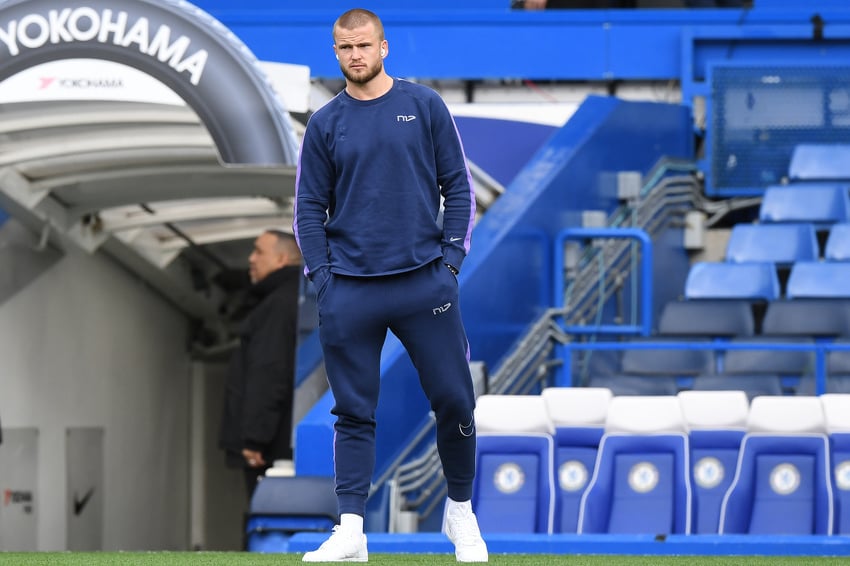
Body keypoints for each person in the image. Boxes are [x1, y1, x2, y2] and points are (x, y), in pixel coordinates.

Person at [293, 8, 488, 563]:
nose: (354, 55)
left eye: (363, 45)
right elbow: (307, 208)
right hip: (349, 289)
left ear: (384, 48)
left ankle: (460, 512)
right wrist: (323, 279)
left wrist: (450, 262)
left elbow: (459, 186)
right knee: (353, 412)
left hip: (424, 282)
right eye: (344, 48)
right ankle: (351, 529)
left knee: (455, 399)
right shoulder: (326, 123)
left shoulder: (423, 105)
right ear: (336, 53)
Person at [218, 229, 303, 500]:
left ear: (281, 259)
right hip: (284, 439)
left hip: (270, 446)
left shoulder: (277, 305)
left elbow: (269, 370)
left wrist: (255, 437)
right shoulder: (297, 299)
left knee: (267, 515)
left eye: (258, 251)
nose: (251, 259)